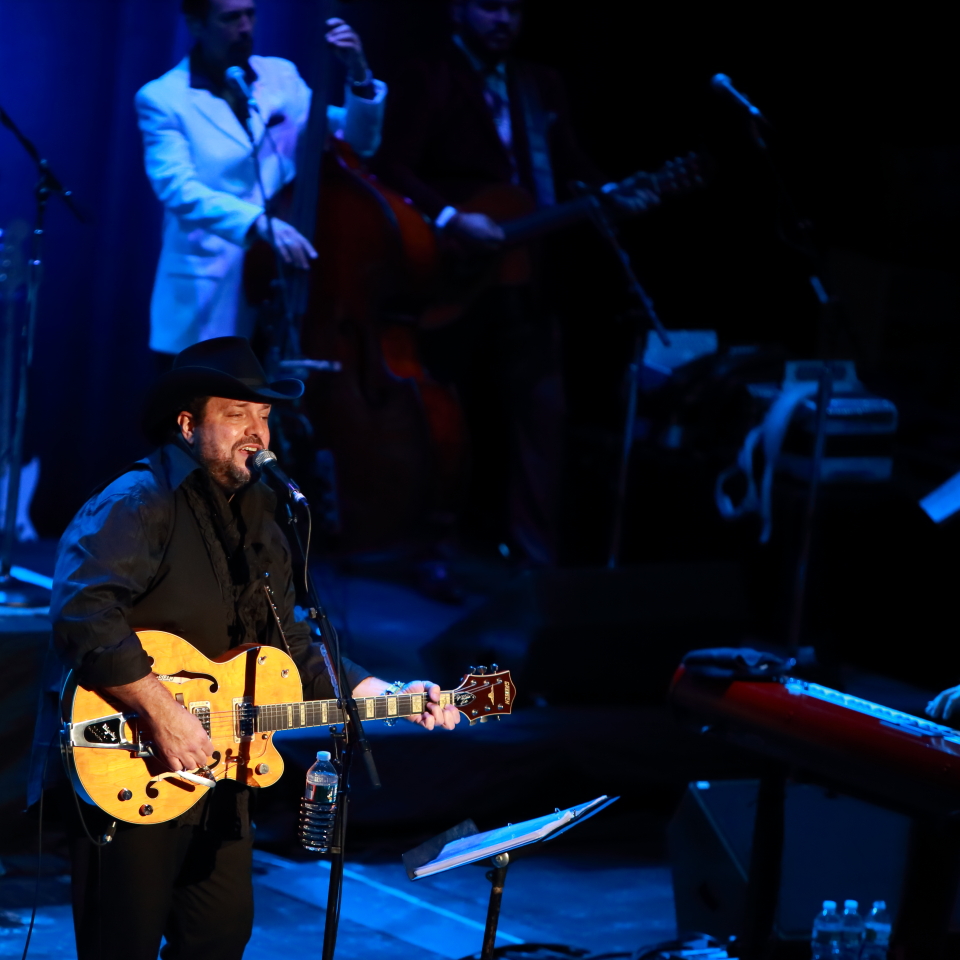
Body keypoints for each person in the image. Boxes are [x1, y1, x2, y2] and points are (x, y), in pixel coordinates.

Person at [51, 336, 460, 960]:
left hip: (221, 769)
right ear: (187, 425)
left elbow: (289, 640)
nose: (257, 431)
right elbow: (83, 612)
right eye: (236, 413)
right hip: (132, 759)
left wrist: (388, 693)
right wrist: (163, 712)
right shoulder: (139, 500)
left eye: (264, 416)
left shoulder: (263, 509)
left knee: (220, 937)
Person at [374, 0, 657, 566]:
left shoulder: (539, 84)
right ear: (457, 10)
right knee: (446, 420)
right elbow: (391, 166)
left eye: (513, 9)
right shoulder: (427, 75)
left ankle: (534, 559)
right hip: (450, 275)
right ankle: (431, 545)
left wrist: (615, 194)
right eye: (489, 7)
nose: (503, 20)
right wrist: (452, 219)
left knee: (542, 415)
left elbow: (569, 164)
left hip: (528, 277)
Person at [136, 0, 387, 359]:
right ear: (196, 25)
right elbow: (177, 189)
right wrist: (257, 223)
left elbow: (358, 141)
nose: (244, 27)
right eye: (230, 18)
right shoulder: (163, 98)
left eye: (250, 14)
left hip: (280, 282)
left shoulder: (282, 77)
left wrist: (359, 75)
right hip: (209, 293)